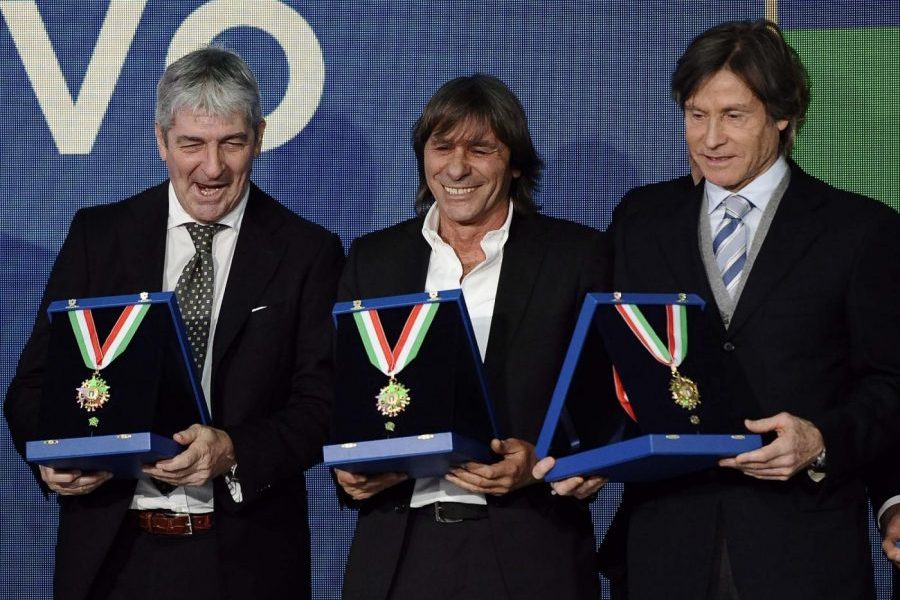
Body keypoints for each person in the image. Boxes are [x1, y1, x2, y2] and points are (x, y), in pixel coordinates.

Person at [536, 19, 900, 599]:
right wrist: (588, 455)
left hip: (803, 552)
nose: (710, 139)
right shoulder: (641, 219)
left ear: (782, 116)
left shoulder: (861, 230)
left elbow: (889, 384)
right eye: (696, 114)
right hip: (664, 548)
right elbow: (614, 363)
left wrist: (820, 440)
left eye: (733, 116)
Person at [4, 47, 344, 600]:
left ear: (259, 137)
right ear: (161, 140)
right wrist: (50, 454)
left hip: (245, 562)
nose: (212, 168)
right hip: (110, 557)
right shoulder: (99, 237)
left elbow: (322, 405)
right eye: (191, 144)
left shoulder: (309, 252)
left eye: (231, 143)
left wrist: (232, 449)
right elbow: (32, 388)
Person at [334, 74, 613, 600]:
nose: (457, 168)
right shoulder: (373, 259)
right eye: (442, 147)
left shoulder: (575, 257)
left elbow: (611, 406)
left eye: (480, 149)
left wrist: (541, 461)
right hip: (397, 552)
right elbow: (339, 396)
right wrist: (352, 471)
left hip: (529, 549)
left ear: (515, 162)